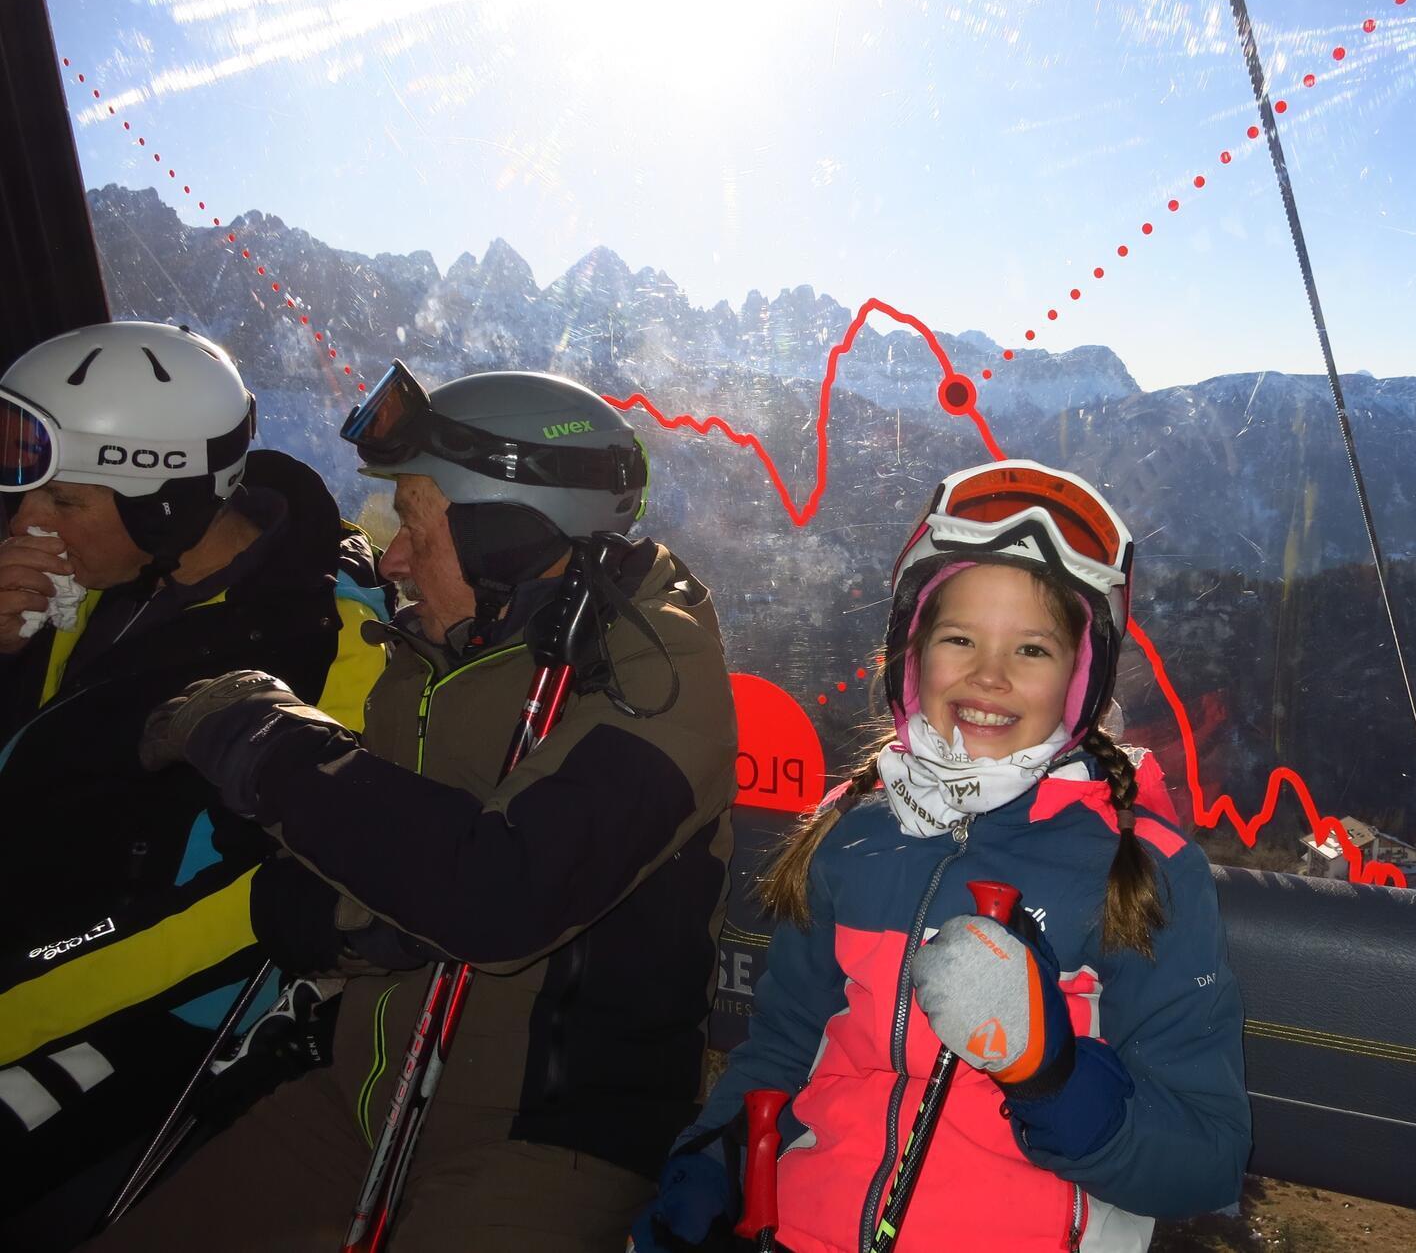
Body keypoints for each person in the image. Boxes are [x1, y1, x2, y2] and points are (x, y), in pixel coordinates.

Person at [89, 365, 738, 1251]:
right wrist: (369, 915)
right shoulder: (427, 649)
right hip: (362, 1096)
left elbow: (500, 895)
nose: (390, 558)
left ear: (503, 534)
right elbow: (303, 894)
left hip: (548, 1139)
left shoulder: (658, 672)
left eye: (412, 523)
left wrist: (263, 742)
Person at [634, 461, 1251, 1253]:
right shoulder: (855, 831)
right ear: (911, 651)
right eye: (959, 638)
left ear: (1079, 679)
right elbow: (785, 1048)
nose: (988, 675)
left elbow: (1207, 1158)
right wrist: (714, 1162)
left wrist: (1050, 1074)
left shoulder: (1139, 870)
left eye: (1032, 649)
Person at [0, 321, 388, 1243]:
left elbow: (258, 901)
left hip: (157, 1014)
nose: (24, 523)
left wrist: (17, 1005)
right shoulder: (91, 581)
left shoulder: (331, 645)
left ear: (164, 505)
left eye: (62, 496)